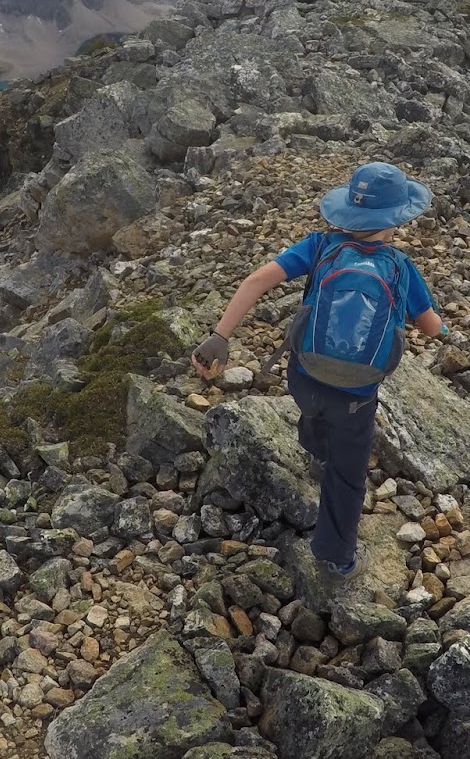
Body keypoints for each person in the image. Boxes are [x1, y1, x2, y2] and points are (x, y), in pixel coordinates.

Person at [191, 162, 448, 585]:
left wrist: (220, 336)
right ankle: (336, 560)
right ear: (398, 218)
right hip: (357, 394)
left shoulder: (320, 246)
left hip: (305, 377)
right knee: (347, 477)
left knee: (314, 412)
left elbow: (256, 281)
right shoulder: (401, 267)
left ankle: (316, 452)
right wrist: (444, 329)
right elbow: (430, 326)